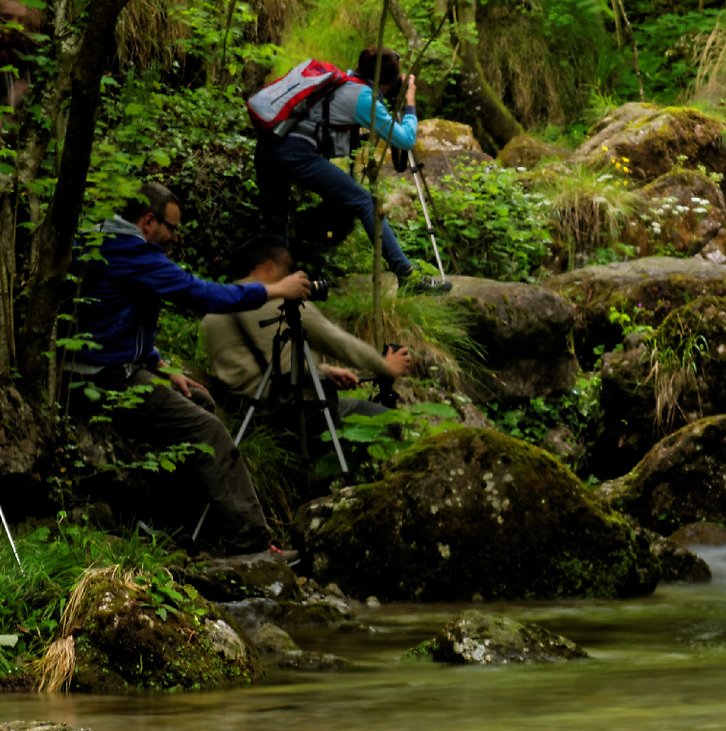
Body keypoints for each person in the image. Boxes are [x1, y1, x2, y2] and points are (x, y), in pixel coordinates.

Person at [71, 182, 312, 553]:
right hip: (107, 376)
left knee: (200, 403)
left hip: (97, 366)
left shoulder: (98, 240)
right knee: (208, 430)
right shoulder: (133, 252)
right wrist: (276, 290)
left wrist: (161, 366)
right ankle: (250, 542)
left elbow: (110, 318)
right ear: (148, 221)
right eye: (171, 227)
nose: (174, 237)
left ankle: (190, 528)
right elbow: (203, 294)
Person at [254, 47, 448, 294]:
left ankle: (269, 292)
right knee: (364, 201)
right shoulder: (364, 98)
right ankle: (406, 275)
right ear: (385, 80)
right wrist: (409, 103)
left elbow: (323, 131)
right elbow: (406, 140)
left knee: (276, 226)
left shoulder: (339, 81)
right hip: (294, 153)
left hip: (268, 147)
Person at [202, 236, 414, 422]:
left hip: (244, 415)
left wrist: (324, 372)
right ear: (266, 268)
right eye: (285, 269)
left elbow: (262, 366)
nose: (289, 276)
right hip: (293, 413)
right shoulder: (280, 301)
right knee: (387, 420)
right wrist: (386, 366)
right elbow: (338, 342)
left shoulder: (213, 314)